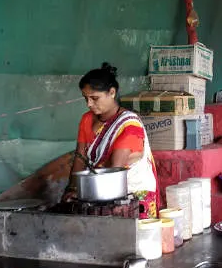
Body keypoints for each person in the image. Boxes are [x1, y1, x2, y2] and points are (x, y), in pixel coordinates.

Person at [62, 63, 159, 218]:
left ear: (112, 92)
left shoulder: (129, 125)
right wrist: (72, 189)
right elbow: (80, 157)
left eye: (94, 98)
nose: (89, 104)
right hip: (101, 191)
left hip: (131, 196)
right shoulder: (87, 120)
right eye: (85, 98)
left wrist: (85, 193)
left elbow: (115, 170)